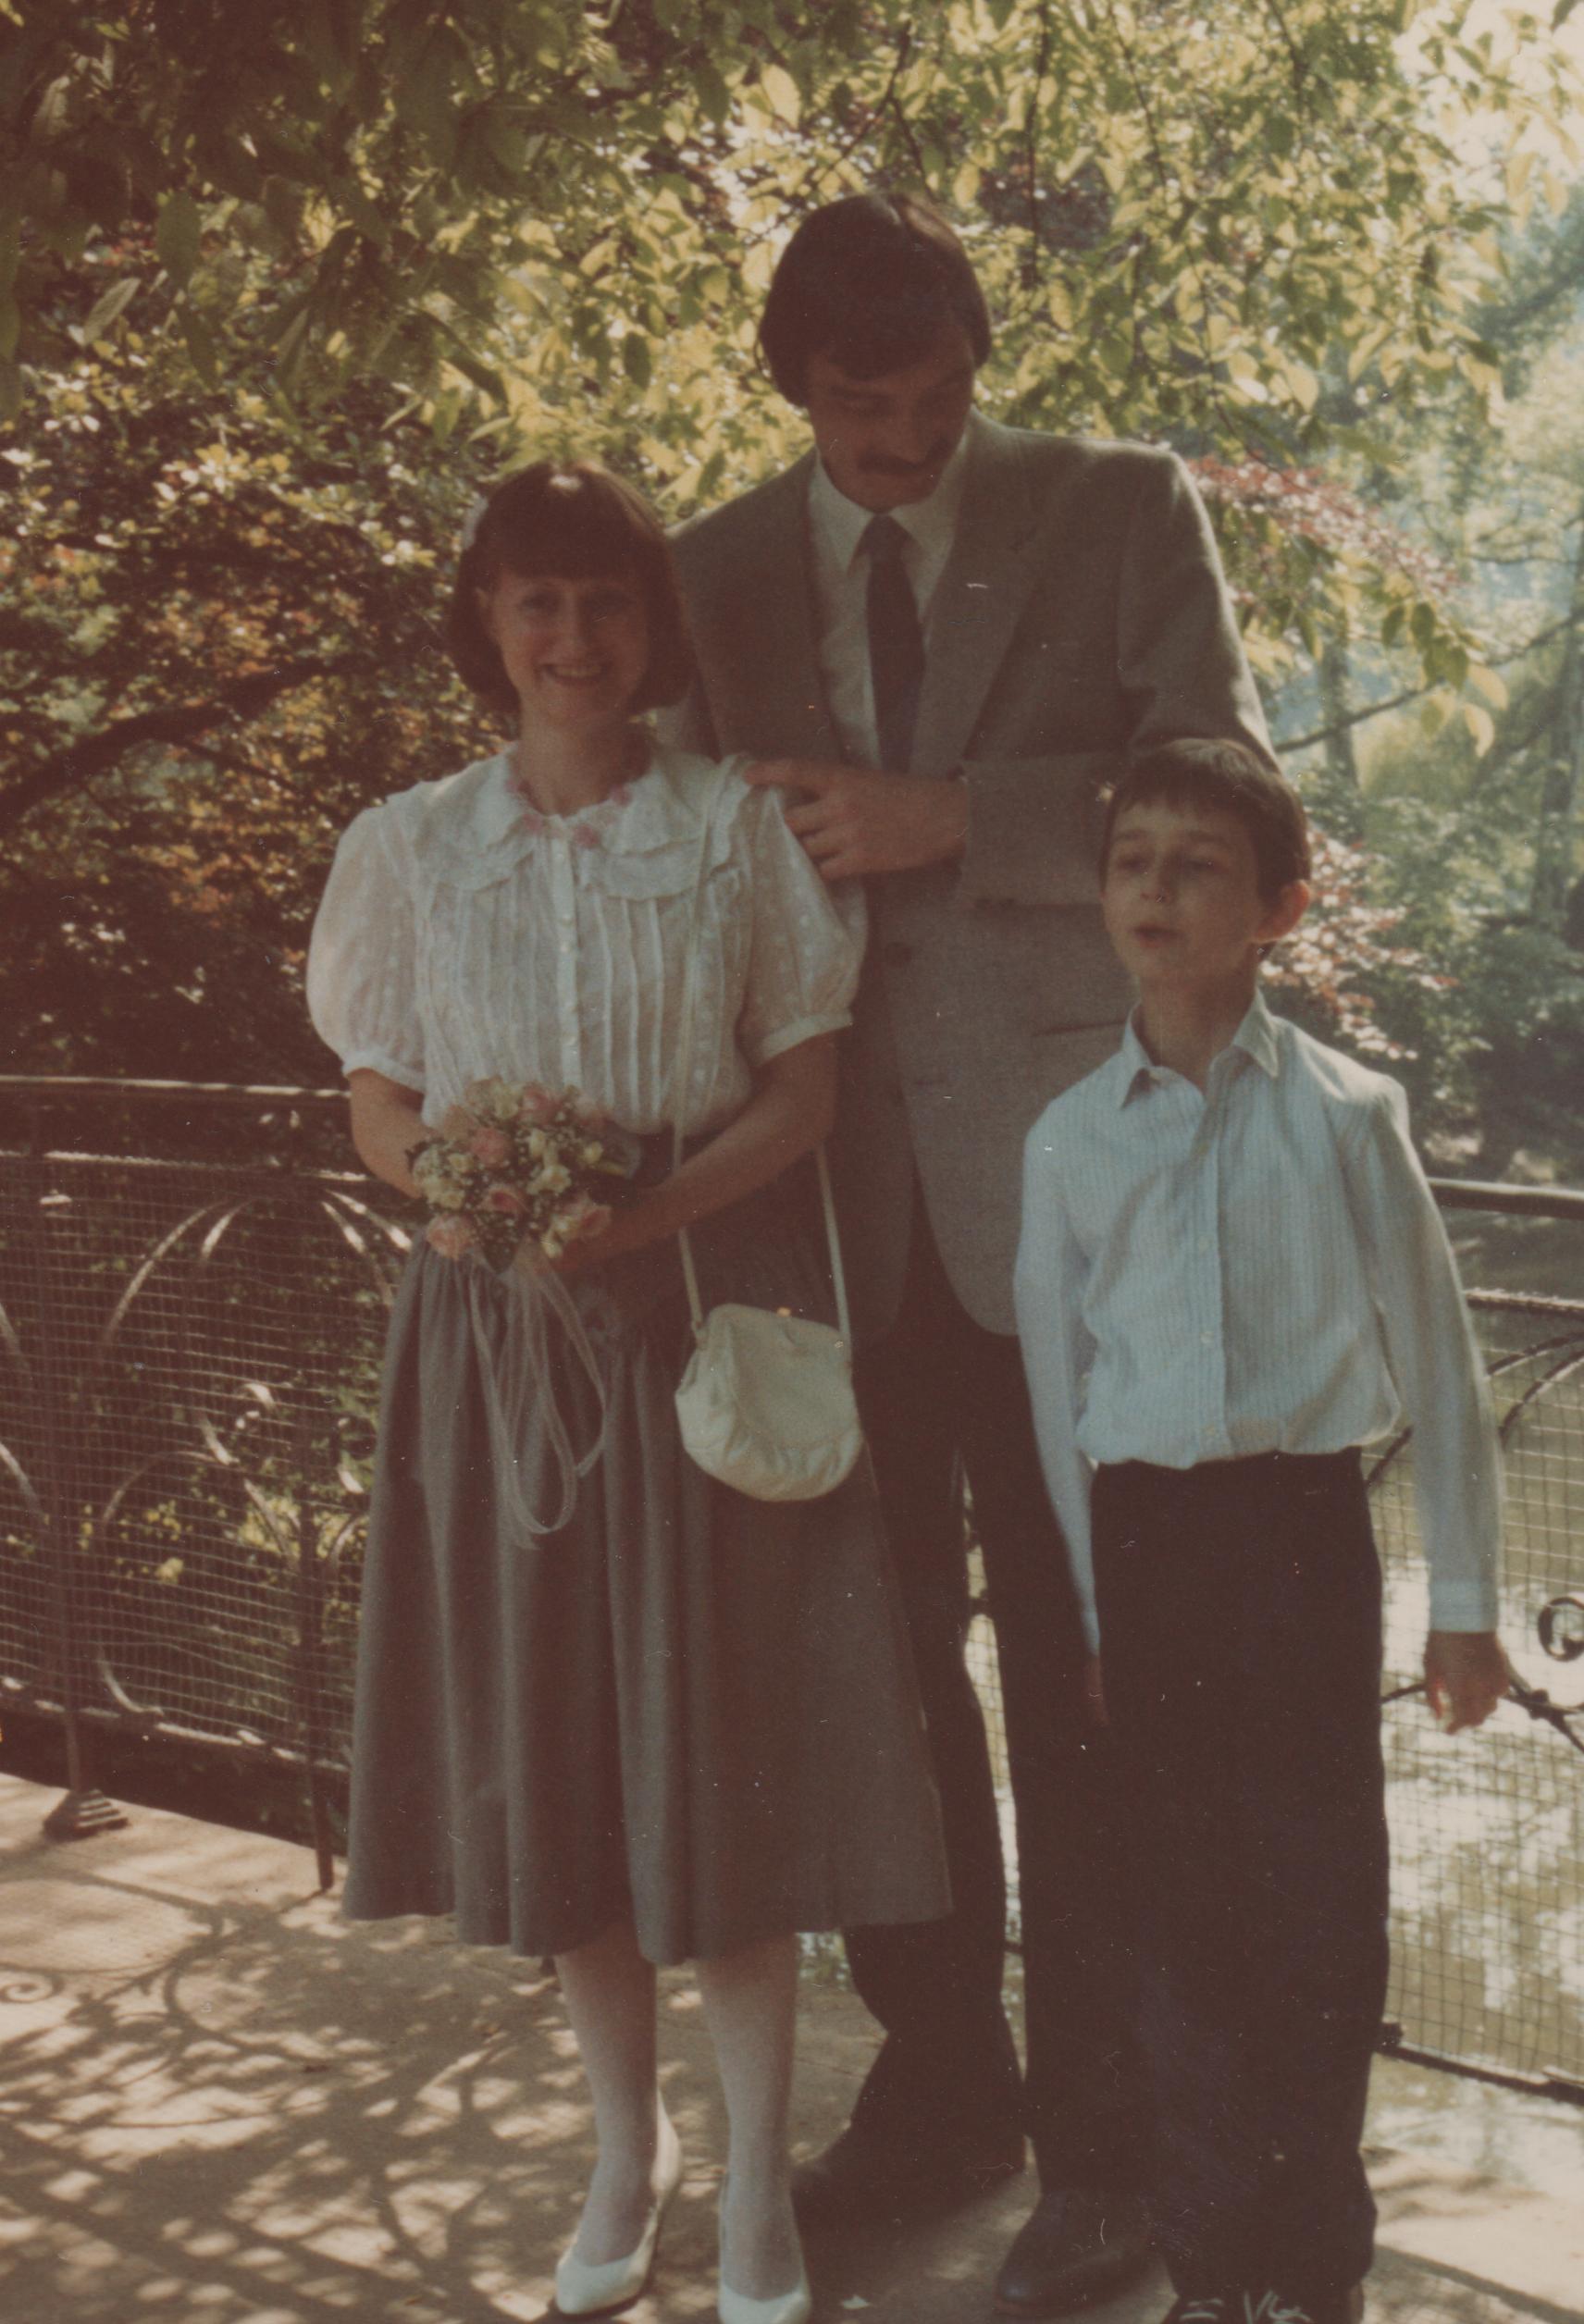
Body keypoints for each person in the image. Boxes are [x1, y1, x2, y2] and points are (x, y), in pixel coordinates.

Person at [662, 189, 1273, 2317]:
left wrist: (963, 821)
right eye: (863, 405)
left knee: (1095, 1689)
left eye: (937, 395)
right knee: (882, 1686)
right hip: (826, 1223)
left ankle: (1112, 2147)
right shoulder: (710, 570)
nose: (907, 437)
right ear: (792, 385)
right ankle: (942, 2087)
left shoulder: (1117, 506)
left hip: (1084, 1211)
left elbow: (1223, 783)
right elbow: (653, 848)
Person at [305, 459, 950, 2324]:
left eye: (605, 602)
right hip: (498, 1337)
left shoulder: (735, 828)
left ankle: (756, 2183)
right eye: (538, 601)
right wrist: (471, 1200)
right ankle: (622, 2144)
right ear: (487, 622)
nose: (573, 638)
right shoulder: (410, 844)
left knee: (714, 1751)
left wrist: (637, 1220)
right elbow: (377, 1096)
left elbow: (805, 1095)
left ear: (655, 623)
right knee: (565, 1744)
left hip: (700, 1315)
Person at [1013, 739, 1508, 2324]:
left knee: (1319, 1910)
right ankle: (1216, 2271)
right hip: (1144, 1548)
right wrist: (1091, 1621)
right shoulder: (1069, 1138)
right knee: (1178, 1923)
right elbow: (1057, 1400)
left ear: (1278, 910)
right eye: (1132, 861)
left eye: (1199, 865)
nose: (1155, 889)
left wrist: (1466, 1602)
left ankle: (1315, 2272)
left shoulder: (1350, 1118)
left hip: (1301, 1539)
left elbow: (1443, 1365)